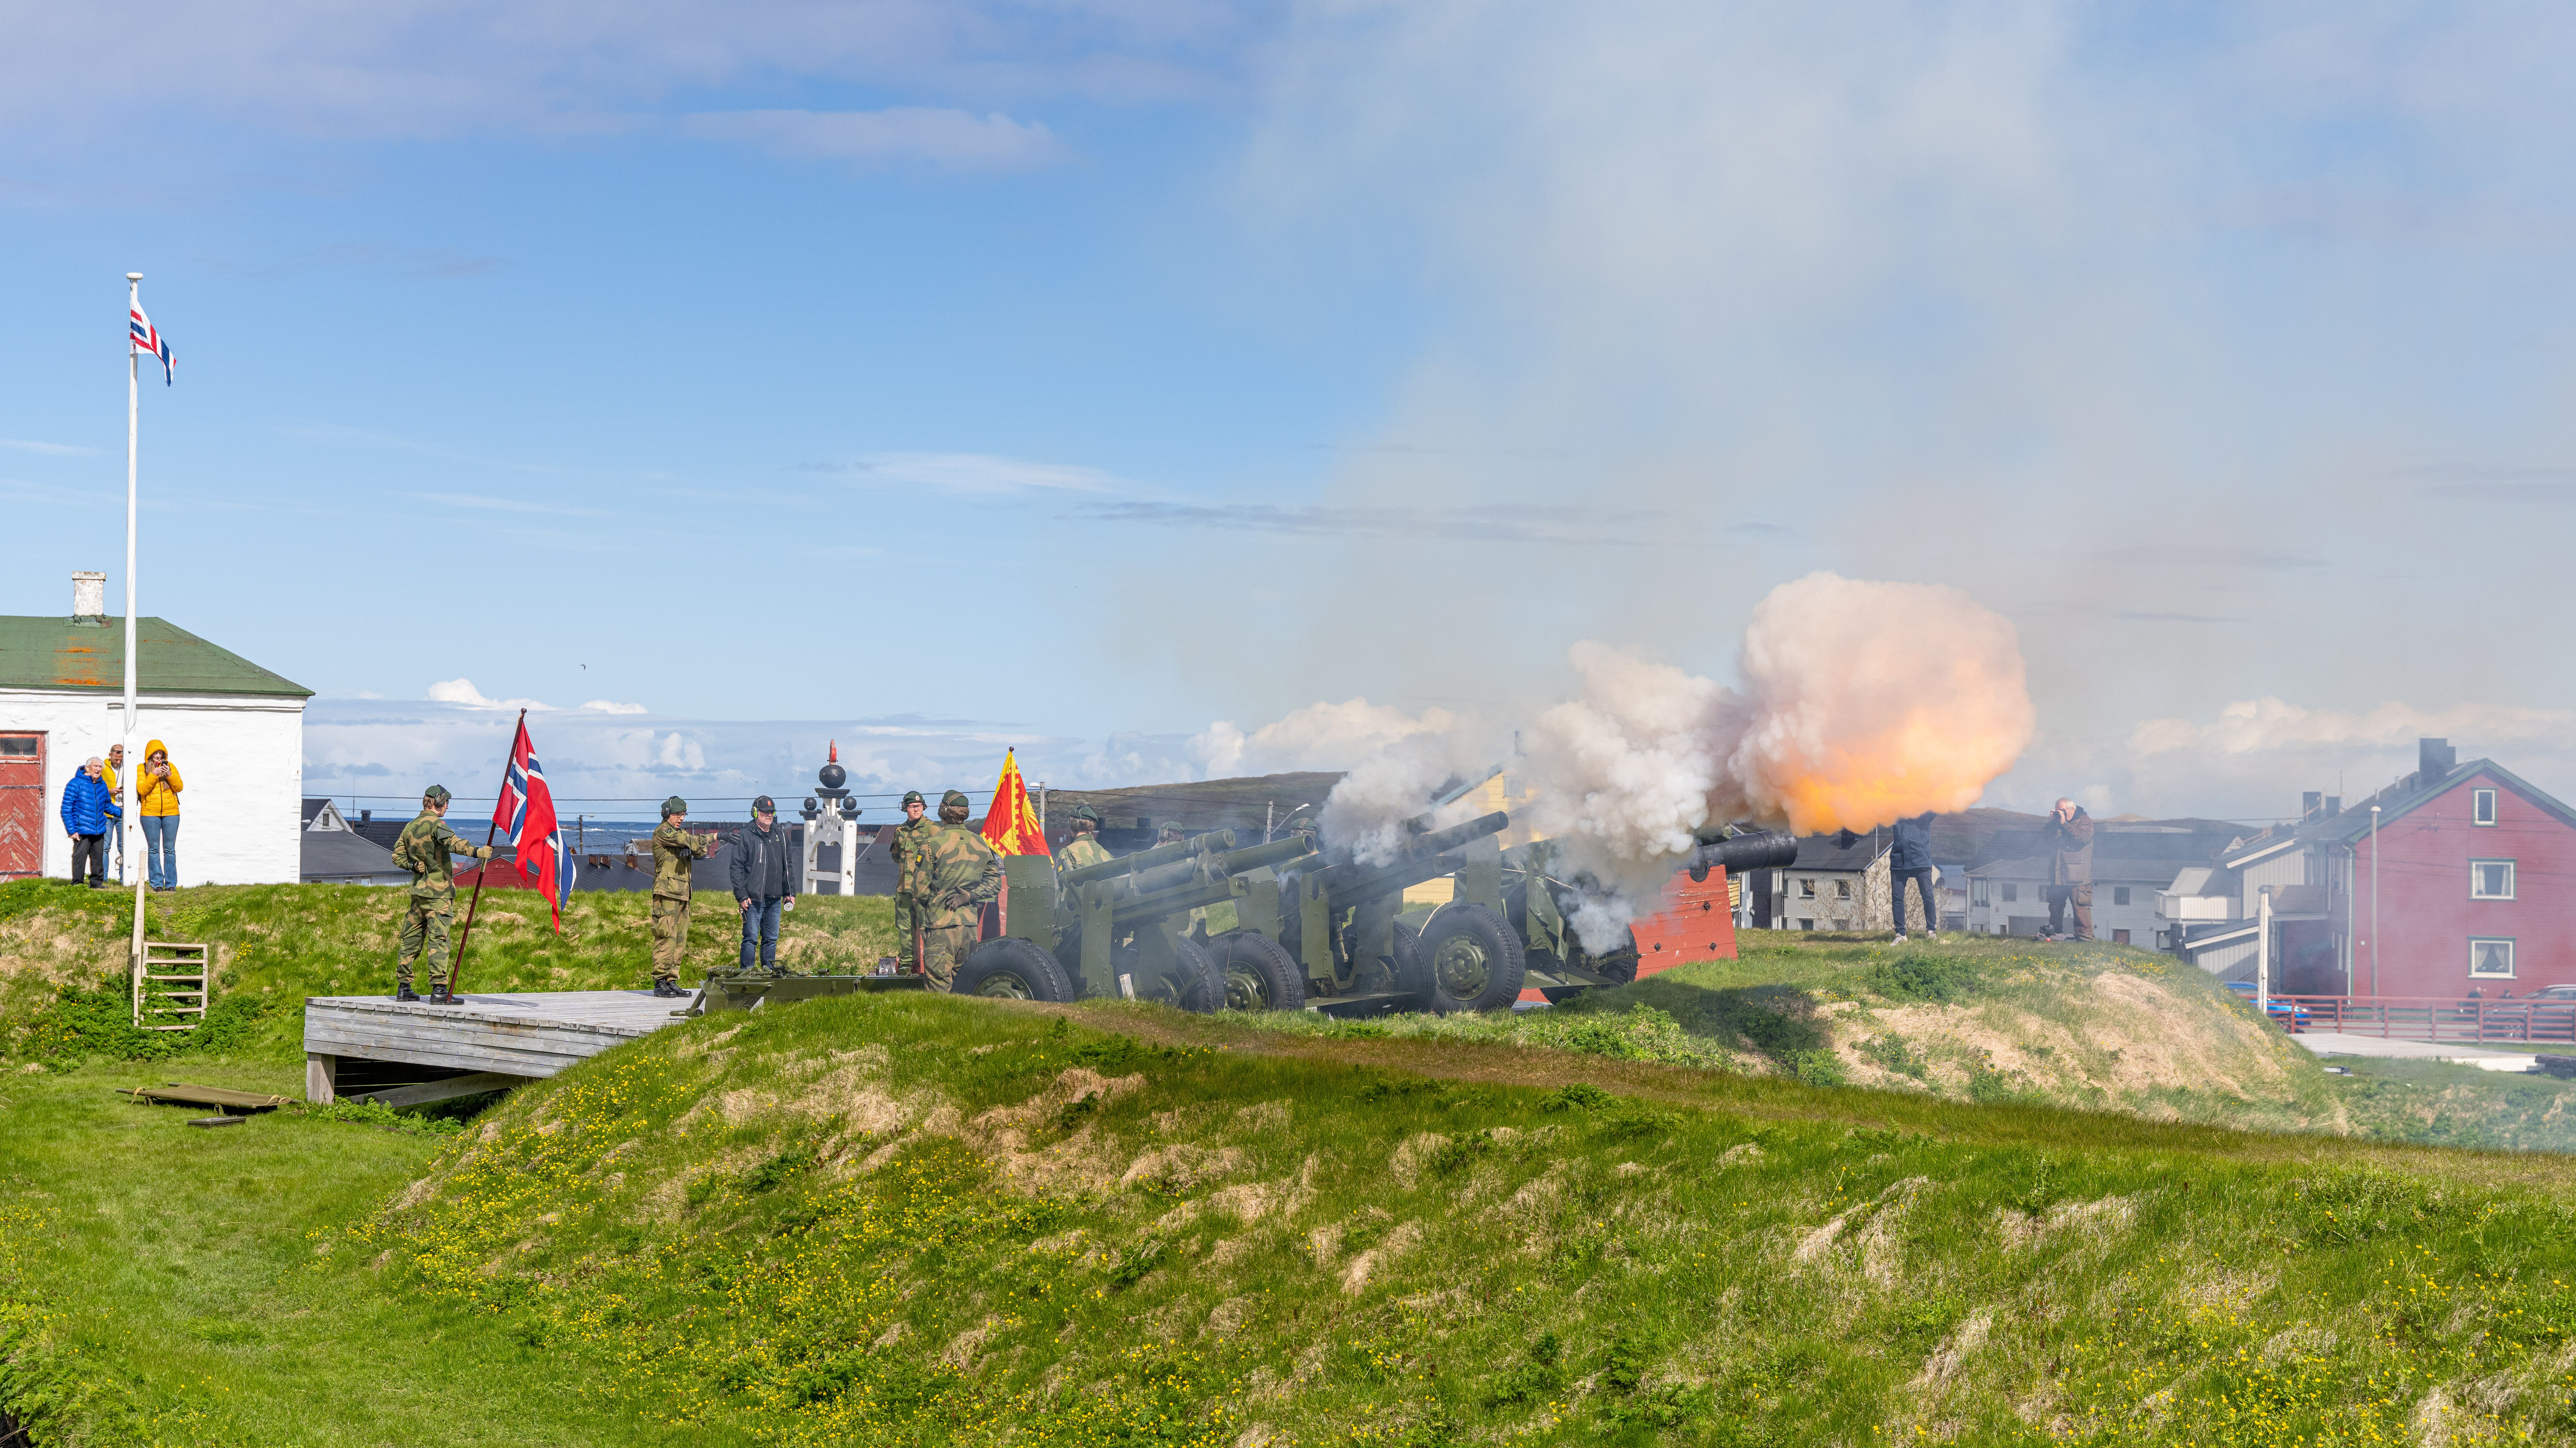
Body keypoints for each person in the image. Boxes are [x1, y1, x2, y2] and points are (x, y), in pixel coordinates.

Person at [389, 785, 495, 1003]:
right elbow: (454, 844)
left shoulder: (411, 827)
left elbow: (397, 856)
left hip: (419, 894)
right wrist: (478, 852)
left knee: (411, 939)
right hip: (438, 894)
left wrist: (413, 865)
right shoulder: (437, 825)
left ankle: (404, 988)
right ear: (439, 803)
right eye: (446, 803)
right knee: (439, 940)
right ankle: (439, 990)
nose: (447, 807)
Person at [915, 789, 1002, 990]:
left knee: (939, 986)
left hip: (940, 926)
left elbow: (920, 891)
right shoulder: (981, 844)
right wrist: (971, 896)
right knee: (965, 986)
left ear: (943, 812)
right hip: (969, 927)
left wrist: (935, 902)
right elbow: (995, 884)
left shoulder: (931, 845)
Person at [649, 796, 717, 998]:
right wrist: (717, 836)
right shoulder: (663, 832)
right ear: (667, 814)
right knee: (666, 937)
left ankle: (671, 980)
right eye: (678, 815)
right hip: (667, 893)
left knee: (680, 940)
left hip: (683, 894)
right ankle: (660, 981)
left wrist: (695, 846)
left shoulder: (680, 833)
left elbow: (699, 851)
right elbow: (688, 842)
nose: (681, 818)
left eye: (683, 815)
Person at [728, 795, 797, 977]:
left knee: (771, 940)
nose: (769, 815)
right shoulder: (746, 835)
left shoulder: (781, 834)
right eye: (765, 812)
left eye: (771, 812)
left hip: (775, 899)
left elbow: (788, 866)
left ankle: (769, 977)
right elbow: (736, 868)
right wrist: (742, 896)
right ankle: (747, 976)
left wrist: (790, 893)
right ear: (755, 812)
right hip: (753, 899)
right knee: (750, 939)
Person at [889, 790, 933, 973]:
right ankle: (908, 966)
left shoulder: (933, 830)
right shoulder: (900, 831)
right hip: (903, 889)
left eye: (919, 806)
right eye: (912, 807)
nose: (916, 809)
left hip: (923, 890)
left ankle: (932, 965)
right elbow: (895, 855)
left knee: (928, 928)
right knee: (904, 929)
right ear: (905, 808)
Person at [59, 757, 119, 888]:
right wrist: (72, 831)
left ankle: (97, 884)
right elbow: (66, 809)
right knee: (80, 858)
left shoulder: (102, 785)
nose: (98, 769)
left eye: (100, 767)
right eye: (95, 766)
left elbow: (107, 806)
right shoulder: (75, 784)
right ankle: (78, 884)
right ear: (87, 768)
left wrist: (123, 814)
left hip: (98, 829)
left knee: (98, 859)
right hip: (82, 830)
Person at [2042, 797, 2096, 942]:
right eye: (2058, 811)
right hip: (2058, 874)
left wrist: (2064, 824)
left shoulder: (2085, 821)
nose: (2060, 814)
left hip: (2078, 876)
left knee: (2081, 909)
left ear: (2072, 810)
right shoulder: (2058, 823)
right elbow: (2045, 839)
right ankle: (2054, 935)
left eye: (2063, 811)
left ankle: (2085, 939)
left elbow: (2081, 838)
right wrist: (2053, 823)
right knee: (2055, 907)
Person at [135, 738, 182, 891]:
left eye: (161, 753)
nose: (158, 756)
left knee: (170, 849)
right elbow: (142, 790)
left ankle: (171, 885)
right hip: (150, 814)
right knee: (154, 849)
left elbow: (179, 787)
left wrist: (169, 775)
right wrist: (154, 774)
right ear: (150, 755)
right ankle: (156, 884)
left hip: (171, 813)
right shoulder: (141, 769)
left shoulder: (171, 767)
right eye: (156, 753)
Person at [1889, 811, 1936, 944]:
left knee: (1928, 896)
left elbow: (1934, 810)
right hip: (1899, 860)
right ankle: (1900, 934)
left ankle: (1931, 931)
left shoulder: (1924, 809)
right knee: (1897, 897)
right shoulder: (1895, 808)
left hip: (1921, 859)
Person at [1058, 803, 1113, 871]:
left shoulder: (1067, 853)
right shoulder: (1107, 854)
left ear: (1074, 825)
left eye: (1071, 822)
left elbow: (1064, 881)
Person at [102, 743, 126, 883]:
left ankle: (124, 879)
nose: (118, 762)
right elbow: (96, 787)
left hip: (123, 811)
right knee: (106, 846)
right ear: (110, 755)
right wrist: (110, 791)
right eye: (116, 759)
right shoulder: (103, 768)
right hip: (108, 812)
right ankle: (104, 879)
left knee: (124, 847)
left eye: (121, 760)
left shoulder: (127, 769)